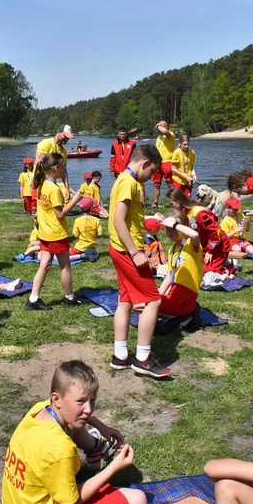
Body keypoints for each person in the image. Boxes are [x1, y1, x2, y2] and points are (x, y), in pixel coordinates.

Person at [1, 360, 147, 504]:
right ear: (56, 399)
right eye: (81, 402)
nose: (89, 409)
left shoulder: (39, 410)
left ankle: (96, 450)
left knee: (71, 424)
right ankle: (97, 452)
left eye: (92, 401)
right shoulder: (61, 448)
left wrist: (102, 427)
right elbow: (70, 502)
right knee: (138, 499)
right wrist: (114, 467)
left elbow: (73, 414)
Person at [109, 145, 170, 378]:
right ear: (144, 164)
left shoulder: (127, 180)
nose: (151, 177)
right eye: (152, 172)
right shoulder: (129, 183)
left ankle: (121, 355)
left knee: (125, 300)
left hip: (119, 248)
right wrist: (135, 252)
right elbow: (118, 220)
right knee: (153, 301)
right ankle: (143, 358)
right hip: (127, 252)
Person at [26, 153, 85, 311]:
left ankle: (33, 299)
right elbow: (60, 214)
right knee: (65, 267)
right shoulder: (54, 189)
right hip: (56, 234)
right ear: (54, 168)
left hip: (44, 233)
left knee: (44, 265)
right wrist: (77, 198)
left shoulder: (41, 185)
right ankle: (69, 298)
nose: (65, 170)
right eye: (63, 167)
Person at [167, 188, 232, 280]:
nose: (171, 207)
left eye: (172, 204)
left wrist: (210, 250)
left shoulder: (199, 212)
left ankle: (229, 268)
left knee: (210, 271)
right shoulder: (185, 212)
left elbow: (214, 231)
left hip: (218, 244)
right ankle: (221, 263)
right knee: (196, 268)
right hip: (204, 244)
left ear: (179, 201)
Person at [157, 211, 203, 317]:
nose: (169, 232)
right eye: (167, 228)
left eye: (173, 229)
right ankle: (168, 315)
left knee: (145, 303)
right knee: (143, 300)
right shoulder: (172, 249)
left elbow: (195, 235)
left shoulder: (190, 245)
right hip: (174, 292)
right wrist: (161, 293)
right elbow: (170, 275)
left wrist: (175, 224)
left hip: (185, 298)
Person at [36, 124, 74, 199]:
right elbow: (38, 163)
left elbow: (64, 172)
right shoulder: (47, 143)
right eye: (65, 136)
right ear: (58, 132)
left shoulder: (64, 151)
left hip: (52, 182)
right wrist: (36, 183)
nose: (66, 139)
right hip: (40, 181)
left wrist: (67, 189)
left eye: (68, 137)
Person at [152, 121, 176, 208]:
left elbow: (165, 132)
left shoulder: (171, 135)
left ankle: (175, 201)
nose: (159, 128)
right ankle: (155, 203)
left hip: (167, 162)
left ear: (166, 127)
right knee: (156, 183)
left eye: (161, 126)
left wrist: (158, 125)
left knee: (170, 184)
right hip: (158, 162)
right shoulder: (159, 138)